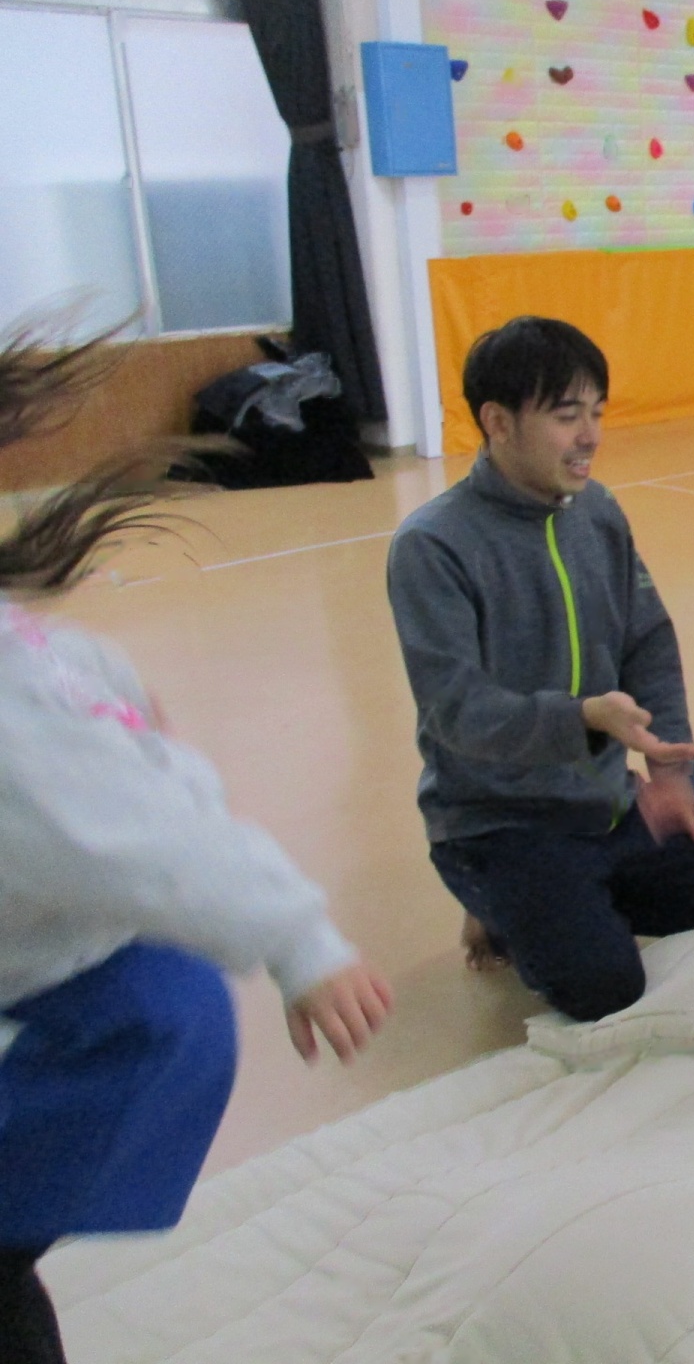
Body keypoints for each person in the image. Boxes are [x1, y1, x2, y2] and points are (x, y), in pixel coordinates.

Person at [0, 319, 391, 1364]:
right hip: (67, 977)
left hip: (56, 961)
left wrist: (120, 700)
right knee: (170, 1012)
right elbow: (139, 837)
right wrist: (303, 940)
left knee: (169, 1005)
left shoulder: (37, 668)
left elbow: (115, 759)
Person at [386, 316, 694, 1024]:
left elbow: (648, 640)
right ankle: (495, 900)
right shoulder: (432, 546)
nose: (590, 435)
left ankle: (566, 903)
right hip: (500, 824)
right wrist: (583, 721)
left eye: (597, 413)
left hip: (610, 806)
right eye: (567, 415)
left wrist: (672, 774)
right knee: (604, 988)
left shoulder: (596, 511)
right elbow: (457, 710)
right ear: (498, 422)